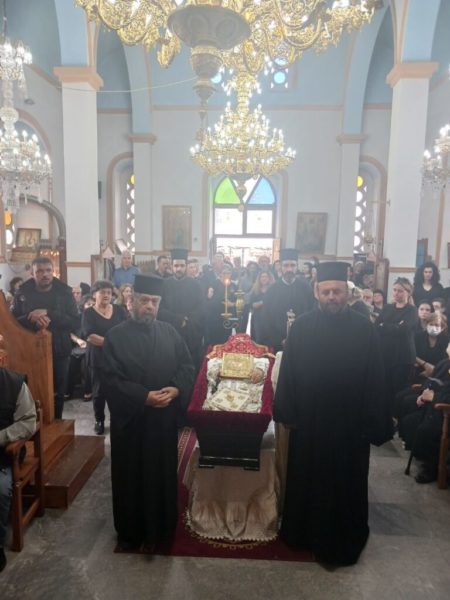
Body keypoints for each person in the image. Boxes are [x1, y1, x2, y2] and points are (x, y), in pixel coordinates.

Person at [274, 261, 391, 566]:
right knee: (308, 480)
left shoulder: (364, 329)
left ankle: (344, 537)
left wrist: (373, 421)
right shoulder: (301, 327)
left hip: (349, 427)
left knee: (346, 483)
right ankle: (304, 534)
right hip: (310, 423)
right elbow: (288, 374)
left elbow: (375, 377)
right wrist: (288, 412)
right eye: (326, 292)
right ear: (316, 292)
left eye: (337, 291)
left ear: (347, 292)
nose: (332, 297)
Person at [101, 274, 194, 551]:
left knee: (160, 475)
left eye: (154, 301)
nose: (150, 306)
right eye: (144, 301)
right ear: (131, 301)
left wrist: (176, 389)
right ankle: (132, 531)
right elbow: (110, 380)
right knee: (131, 477)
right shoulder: (115, 337)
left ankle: (162, 529)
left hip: (162, 423)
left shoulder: (170, 333)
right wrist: (143, 397)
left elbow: (187, 366)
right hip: (131, 423)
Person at [11, 257, 79, 419]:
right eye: (40, 271)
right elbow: (12, 322)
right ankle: (34, 425)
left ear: (53, 271)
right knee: (31, 391)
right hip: (30, 350)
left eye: (48, 270)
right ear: (32, 273)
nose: (45, 274)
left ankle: (56, 423)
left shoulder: (64, 292)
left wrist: (50, 314)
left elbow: (75, 322)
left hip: (59, 349)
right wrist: (31, 318)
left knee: (58, 392)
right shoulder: (22, 292)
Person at [0, 367, 37, 572]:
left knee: (0, 489)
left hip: (3, 457)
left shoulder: (14, 384)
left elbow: (28, 423)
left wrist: (1, 437)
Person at [82, 280, 127, 434]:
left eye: (109, 292)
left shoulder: (119, 310)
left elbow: (127, 329)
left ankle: (117, 419)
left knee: (118, 390)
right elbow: (90, 336)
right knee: (99, 392)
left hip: (117, 358)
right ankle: (99, 420)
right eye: (102, 292)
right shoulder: (88, 313)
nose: (106, 295)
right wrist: (112, 343)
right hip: (98, 357)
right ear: (94, 295)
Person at [376, 277, 418, 416]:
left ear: (408, 293)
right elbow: (377, 326)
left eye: (400, 291)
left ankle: (397, 418)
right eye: (394, 290)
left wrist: (385, 326)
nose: (396, 293)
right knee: (385, 389)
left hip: (402, 357)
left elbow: (403, 330)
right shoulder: (387, 308)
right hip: (386, 355)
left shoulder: (412, 310)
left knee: (398, 390)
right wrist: (394, 326)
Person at [158, 249, 205, 372]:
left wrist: (187, 320)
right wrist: (178, 319)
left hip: (190, 332)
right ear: (171, 266)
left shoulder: (196, 285)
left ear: (186, 266)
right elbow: (159, 308)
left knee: (190, 365)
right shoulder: (164, 284)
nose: (179, 269)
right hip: (169, 331)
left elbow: (201, 308)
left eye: (182, 266)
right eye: (176, 266)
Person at [260, 248, 314, 352]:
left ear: (297, 267)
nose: (289, 269)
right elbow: (266, 318)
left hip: (302, 341)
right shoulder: (272, 290)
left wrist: (301, 337)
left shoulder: (306, 288)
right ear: (280, 267)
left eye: (292, 265)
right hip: (278, 344)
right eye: (286, 265)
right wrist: (279, 340)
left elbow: (311, 314)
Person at [248, 270, 275, 343]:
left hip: (270, 318)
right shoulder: (255, 290)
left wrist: (262, 303)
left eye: (266, 276)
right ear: (259, 279)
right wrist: (262, 303)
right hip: (258, 319)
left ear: (269, 278)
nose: (264, 278)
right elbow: (251, 304)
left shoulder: (274, 290)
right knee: (258, 340)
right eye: (262, 277)